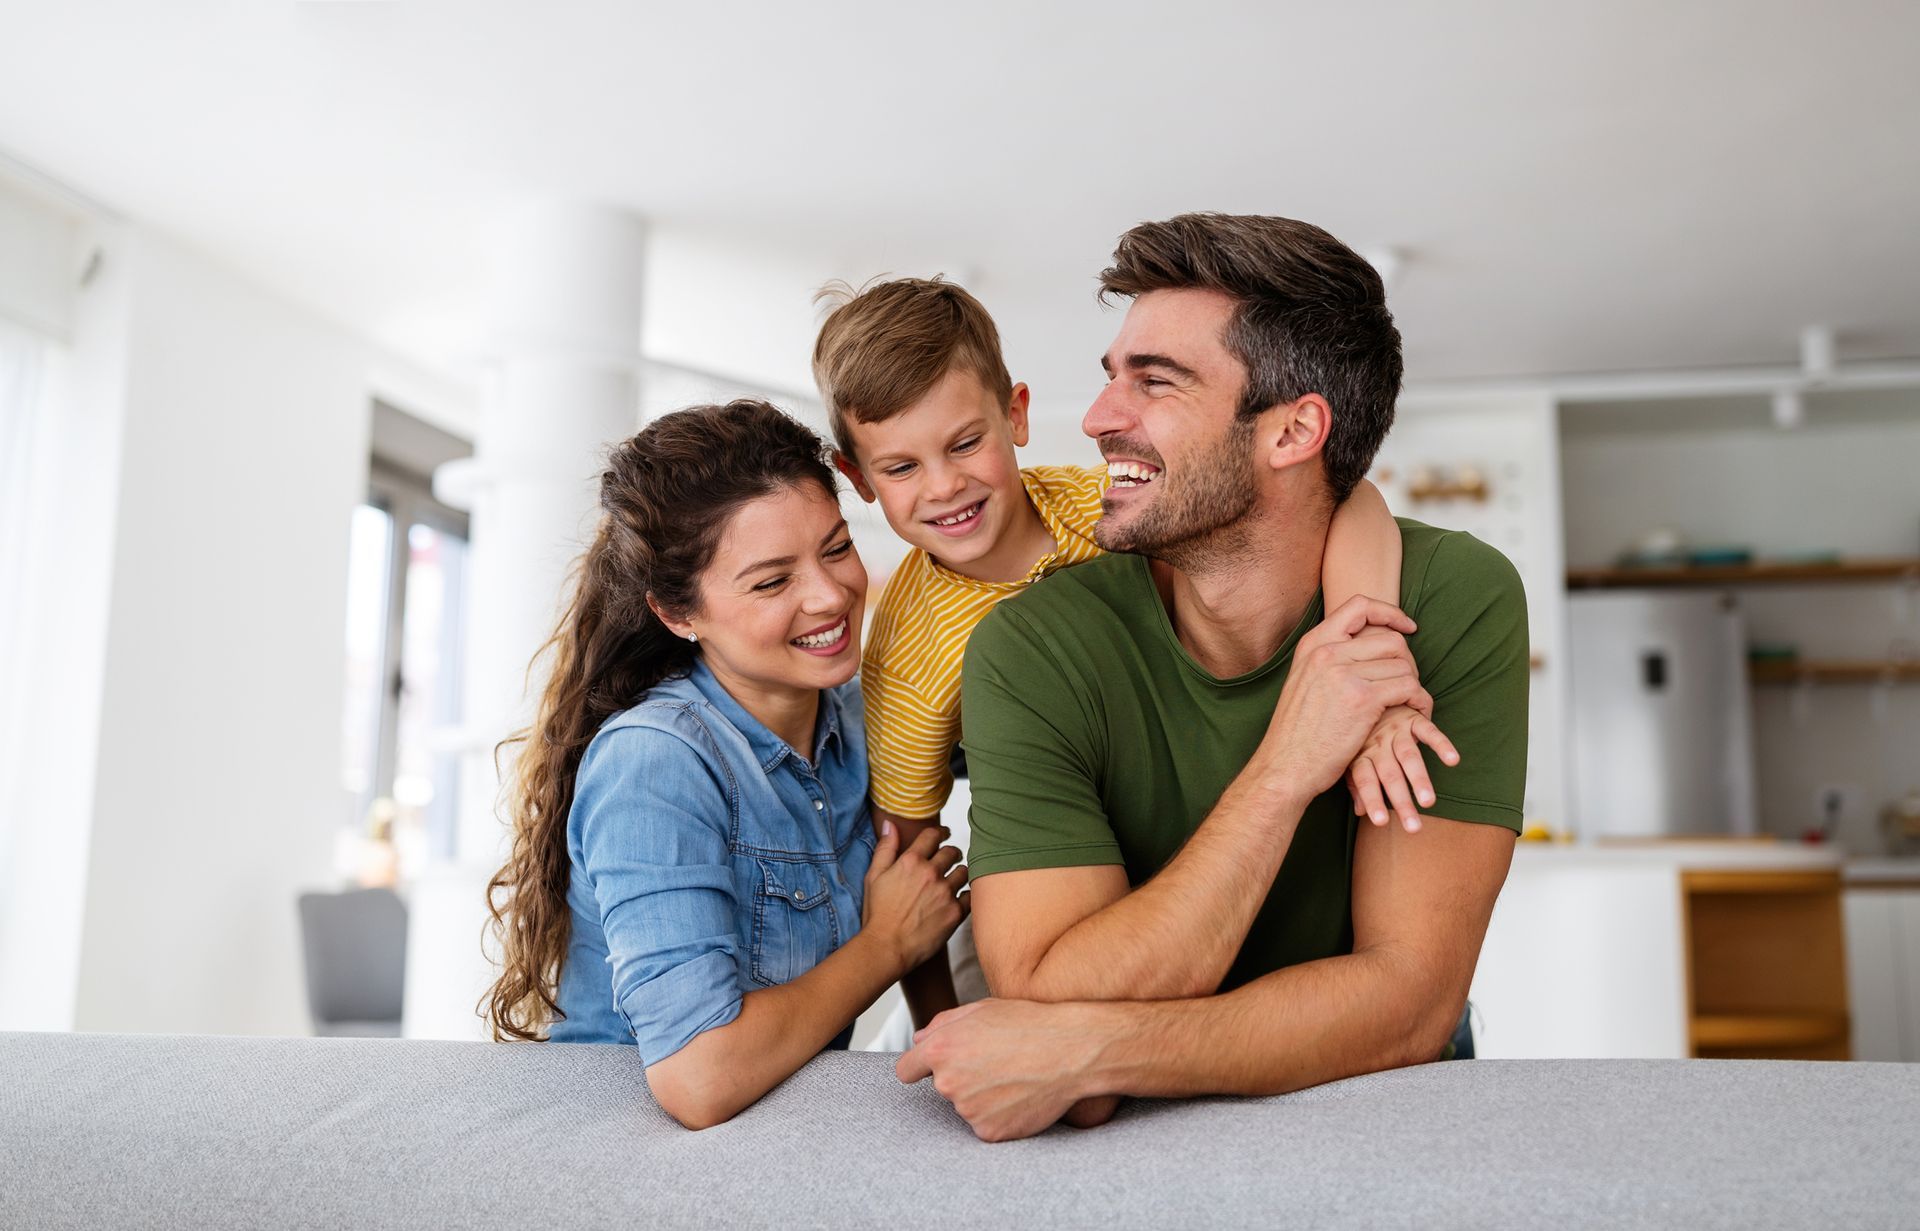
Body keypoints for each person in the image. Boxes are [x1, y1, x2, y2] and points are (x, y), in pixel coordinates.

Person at [896, 214, 1529, 1141]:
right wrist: (1284, 771)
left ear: (1294, 430)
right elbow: (1044, 983)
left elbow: (1409, 1004)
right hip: (1124, 1145)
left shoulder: (1450, 599)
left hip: (1377, 1115)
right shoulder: (1032, 646)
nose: (1098, 416)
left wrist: (1093, 1050)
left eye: (1154, 381)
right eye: (1113, 374)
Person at [811, 276, 1444, 1032]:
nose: (945, 486)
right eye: (902, 467)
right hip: (1049, 879)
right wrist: (938, 1022)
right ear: (858, 479)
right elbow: (910, 856)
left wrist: (1365, 653)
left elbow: (1350, 496)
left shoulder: (1100, 505)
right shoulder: (911, 660)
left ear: (1015, 414)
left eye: (965, 442)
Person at [483, 400, 968, 1131]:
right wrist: (887, 943)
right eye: (772, 582)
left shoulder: (858, 712)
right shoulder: (657, 761)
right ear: (679, 614)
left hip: (778, 1132)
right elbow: (698, 1077)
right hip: (624, 1156)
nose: (830, 594)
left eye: (835, 548)